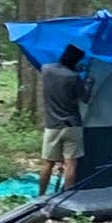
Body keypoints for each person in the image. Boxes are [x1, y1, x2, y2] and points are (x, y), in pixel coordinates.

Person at [39, 43, 86, 195]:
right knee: (70, 164)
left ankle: (40, 196)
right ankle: (67, 198)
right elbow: (85, 97)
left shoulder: (46, 69)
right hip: (73, 125)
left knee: (47, 163)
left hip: (52, 125)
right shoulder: (74, 77)